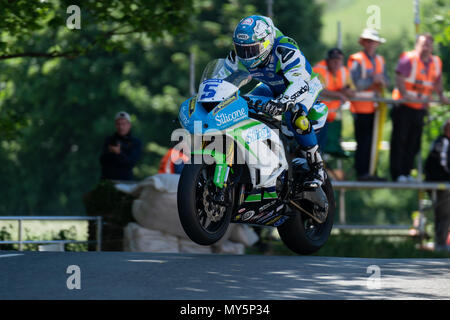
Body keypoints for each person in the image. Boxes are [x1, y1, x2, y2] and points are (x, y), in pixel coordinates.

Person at [220, 15, 328, 188]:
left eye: (252, 50)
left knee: (297, 116)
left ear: (266, 42)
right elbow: (221, 81)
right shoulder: (237, 55)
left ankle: (317, 167)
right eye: (241, 49)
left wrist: (284, 102)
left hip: (304, 85)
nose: (246, 56)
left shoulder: (285, 47)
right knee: (244, 108)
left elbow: (300, 82)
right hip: (270, 86)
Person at [391, 33, 450, 182]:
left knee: (414, 142)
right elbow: (399, 77)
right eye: (424, 44)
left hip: (420, 107)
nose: (426, 47)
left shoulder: (436, 62)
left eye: (429, 44)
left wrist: (441, 95)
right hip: (404, 106)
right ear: (417, 44)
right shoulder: (408, 58)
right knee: (400, 141)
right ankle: (398, 174)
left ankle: (407, 172)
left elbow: (437, 81)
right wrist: (405, 94)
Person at [347, 28, 389, 181]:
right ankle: (362, 173)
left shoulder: (380, 60)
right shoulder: (356, 60)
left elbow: (387, 80)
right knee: (363, 141)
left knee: (372, 142)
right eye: (369, 41)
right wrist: (374, 80)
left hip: (375, 107)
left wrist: (381, 81)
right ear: (363, 43)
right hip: (360, 106)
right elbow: (354, 83)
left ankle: (371, 172)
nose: (371, 44)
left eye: (374, 41)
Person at [313, 48, 354, 155]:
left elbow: (352, 91)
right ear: (328, 60)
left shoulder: (344, 71)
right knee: (314, 148)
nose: (336, 63)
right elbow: (320, 90)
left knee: (320, 149)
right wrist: (339, 94)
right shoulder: (319, 69)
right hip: (315, 115)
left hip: (330, 117)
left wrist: (346, 91)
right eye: (333, 60)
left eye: (339, 60)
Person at [424, 120, 450, 252]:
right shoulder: (443, 142)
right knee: (444, 214)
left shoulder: (440, 141)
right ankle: (440, 245)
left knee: (442, 214)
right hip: (440, 183)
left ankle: (440, 243)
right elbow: (442, 163)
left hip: (437, 182)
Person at [100, 111, 142, 181]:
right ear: (115, 125)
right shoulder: (109, 140)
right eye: (118, 124)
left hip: (126, 183)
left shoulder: (135, 142)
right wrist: (110, 152)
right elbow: (102, 160)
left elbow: (131, 162)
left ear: (129, 125)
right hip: (108, 181)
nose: (121, 127)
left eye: (123, 124)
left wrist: (119, 153)